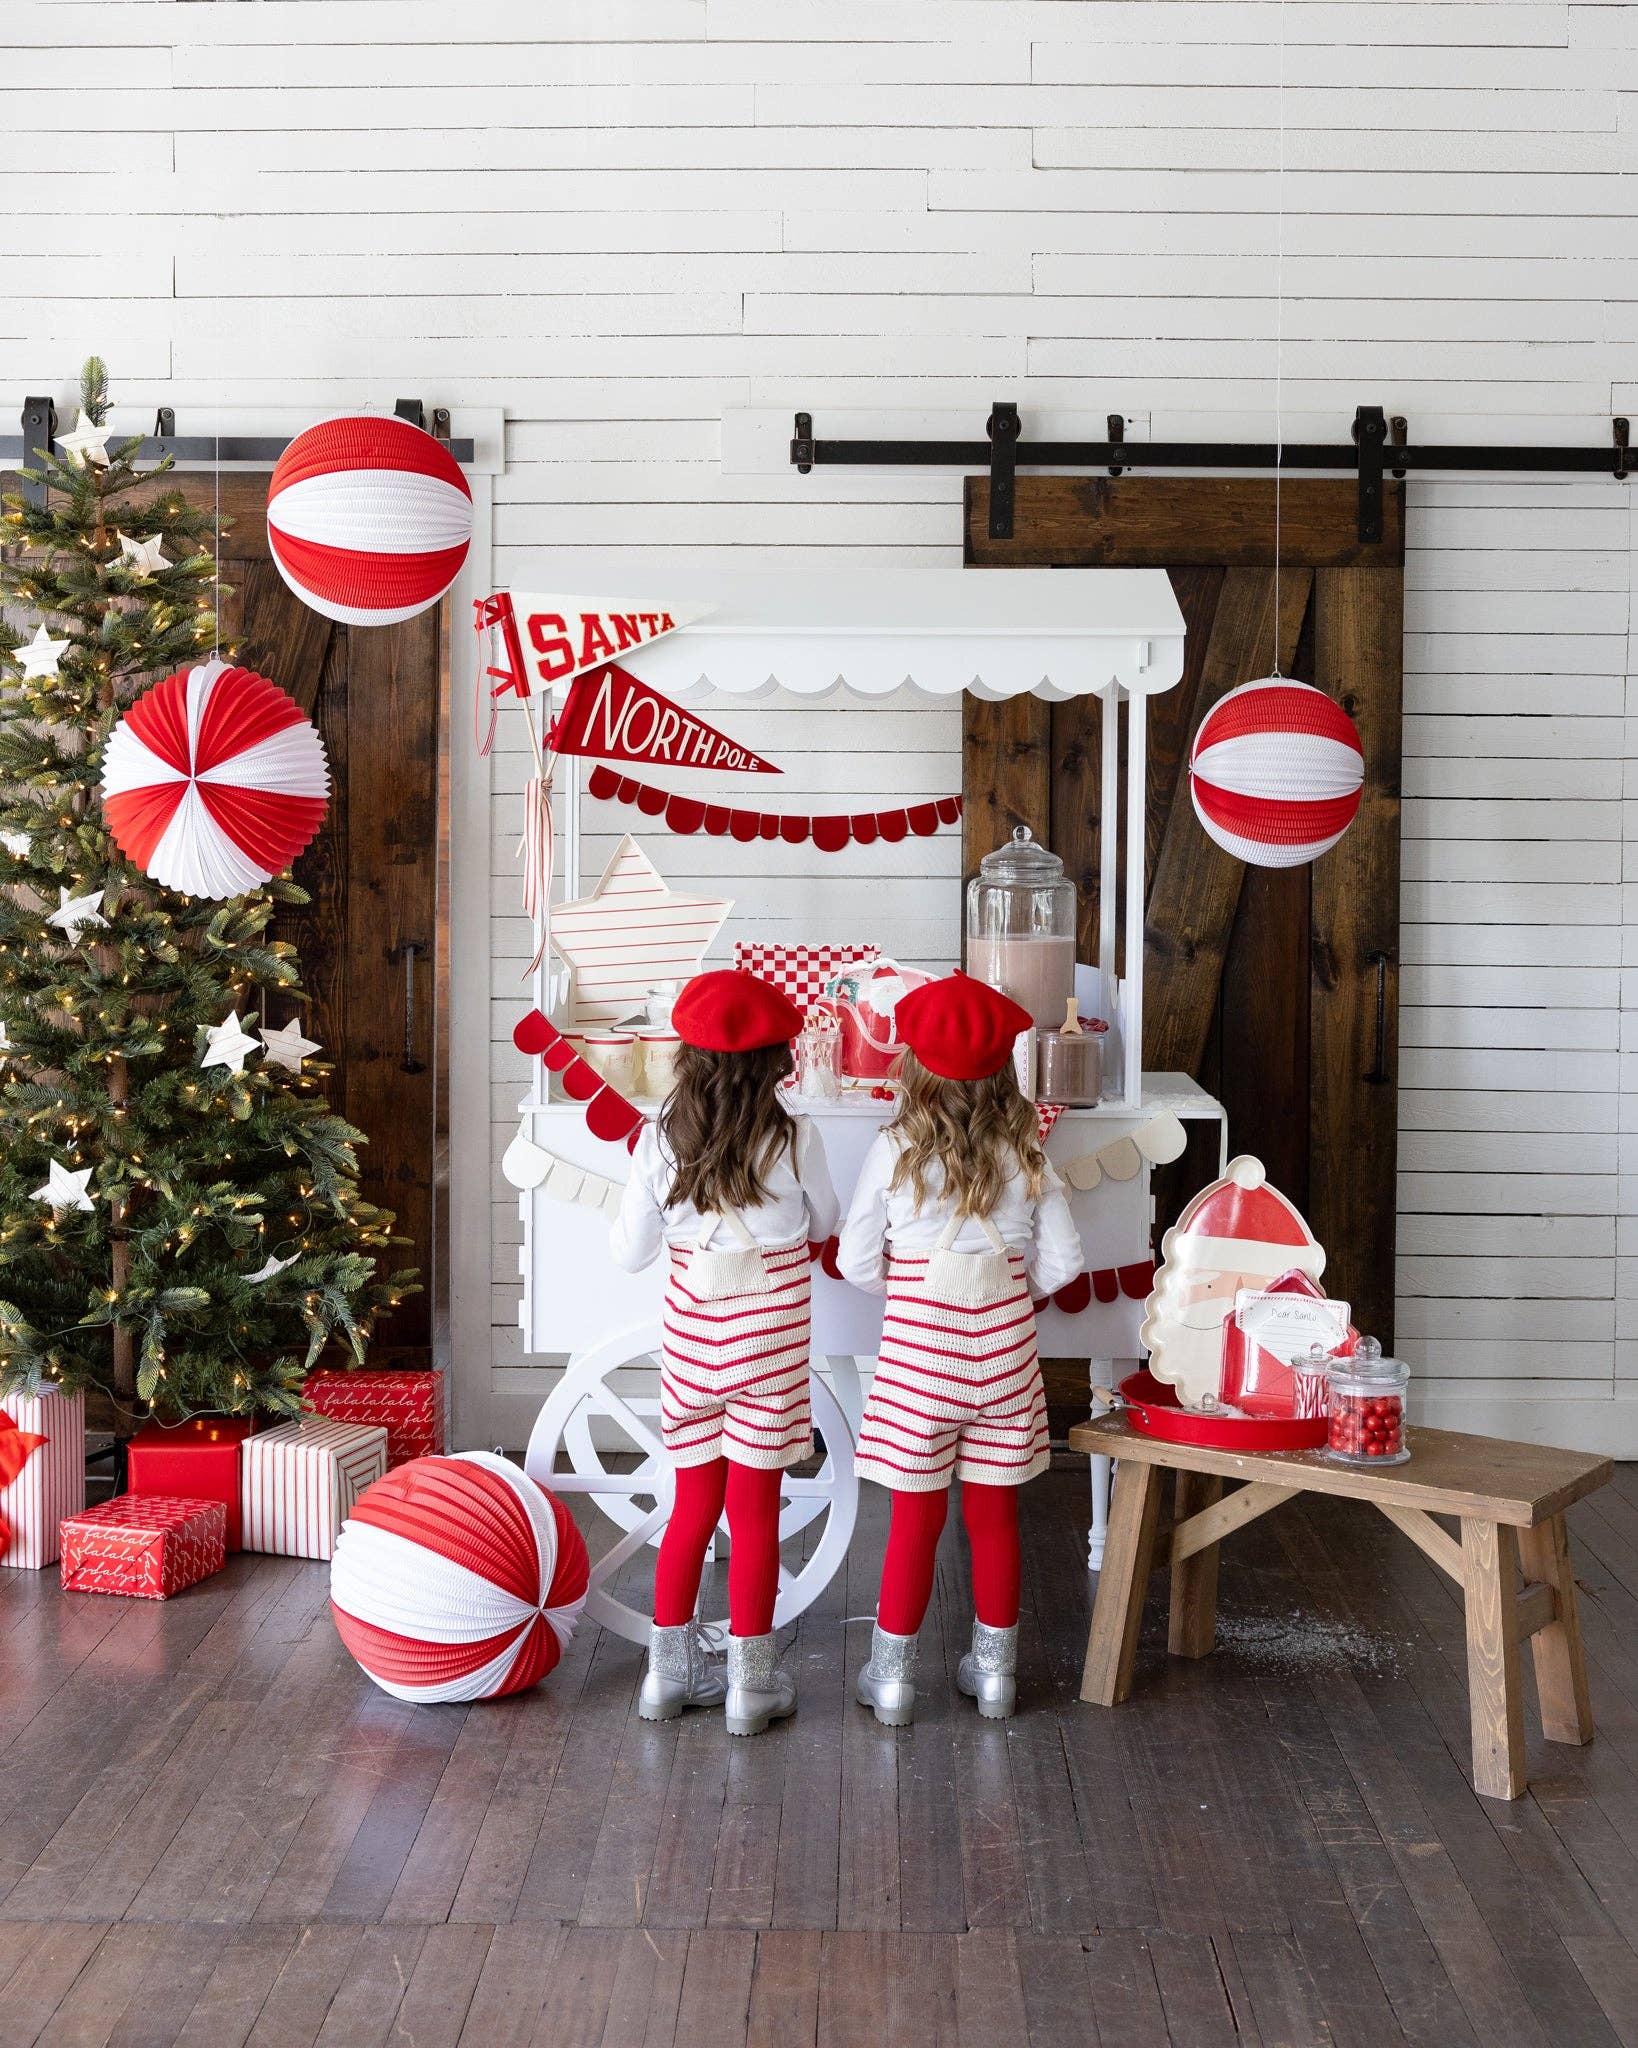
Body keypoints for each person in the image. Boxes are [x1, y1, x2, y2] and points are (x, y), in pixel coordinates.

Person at [838, 972, 1083, 1725]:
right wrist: (1015, 1284)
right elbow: (1065, 1264)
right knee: (994, 1519)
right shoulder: (1028, 1153)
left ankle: (892, 1681)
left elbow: (854, 1261)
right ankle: (998, 1676)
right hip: (1004, 1357)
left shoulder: (893, 1150)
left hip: (917, 1364)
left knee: (915, 1521)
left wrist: (906, 1292)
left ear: (913, 1066)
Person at [611, 968, 837, 1737]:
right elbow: (824, 1224)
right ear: (777, 1059)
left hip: (693, 1355)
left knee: (690, 1513)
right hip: (769, 1355)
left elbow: (630, 1255)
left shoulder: (657, 1139)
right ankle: (751, 1685)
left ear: (687, 1057)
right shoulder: (795, 1135)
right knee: (757, 1515)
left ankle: (664, 1681)